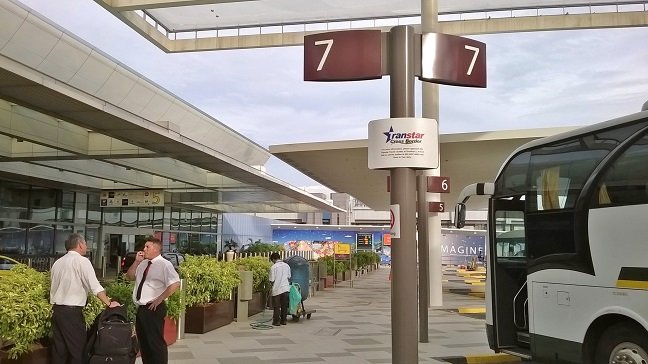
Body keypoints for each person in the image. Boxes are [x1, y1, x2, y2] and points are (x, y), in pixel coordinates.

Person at [49, 233, 120, 364]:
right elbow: (95, 287)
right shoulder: (82, 261)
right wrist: (109, 303)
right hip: (72, 313)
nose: (87, 246)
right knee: (78, 351)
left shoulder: (58, 263)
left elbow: (53, 288)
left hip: (56, 311)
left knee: (59, 351)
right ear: (80, 244)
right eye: (86, 244)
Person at [126, 237, 180, 364]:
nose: (143, 249)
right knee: (144, 343)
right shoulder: (143, 263)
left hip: (154, 307)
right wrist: (136, 262)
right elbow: (129, 277)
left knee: (155, 343)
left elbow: (175, 283)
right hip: (142, 308)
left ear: (156, 249)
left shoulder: (164, 264)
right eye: (144, 247)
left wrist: (159, 299)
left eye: (147, 247)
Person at [269, 252, 291, 326]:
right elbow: (289, 277)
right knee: (284, 305)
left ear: (273, 259)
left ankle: (276, 321)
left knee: (277, 306)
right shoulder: (287, 266)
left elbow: (272, 280)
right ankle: (284, 320)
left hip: (277, 289)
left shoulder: (273, 267)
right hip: (286, 288)